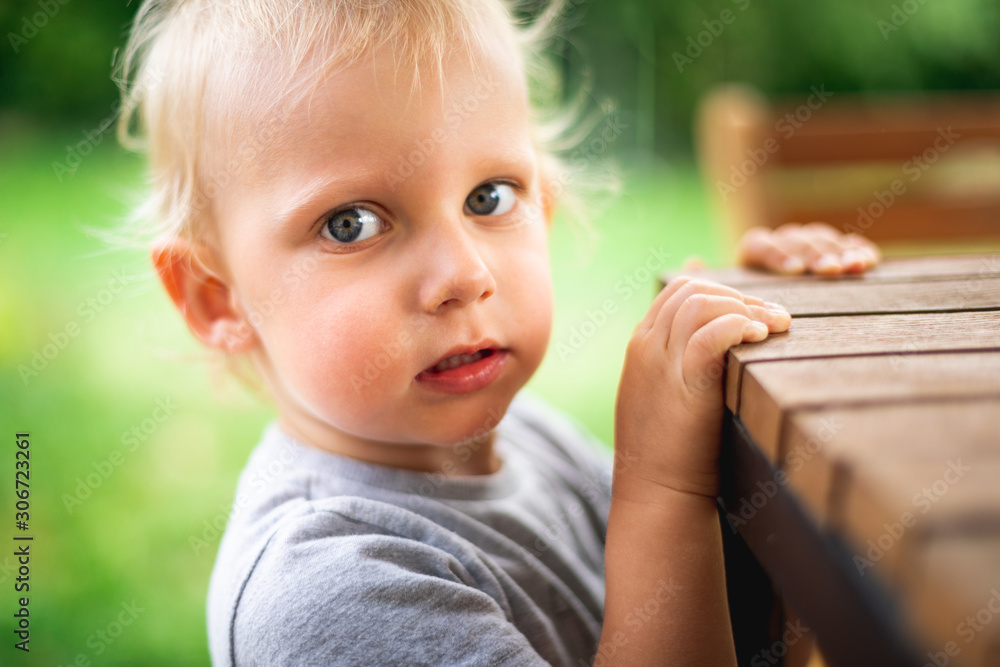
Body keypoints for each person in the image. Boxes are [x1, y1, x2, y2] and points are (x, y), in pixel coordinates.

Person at [116, 1, 880, 664]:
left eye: (488, 195)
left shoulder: (529, 437)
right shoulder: (329, 591)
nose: (463, 272)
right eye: (351, 223)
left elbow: (737, 624)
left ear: (542, 206)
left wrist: (759, 344)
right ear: (217, 299)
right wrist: (660, 489)